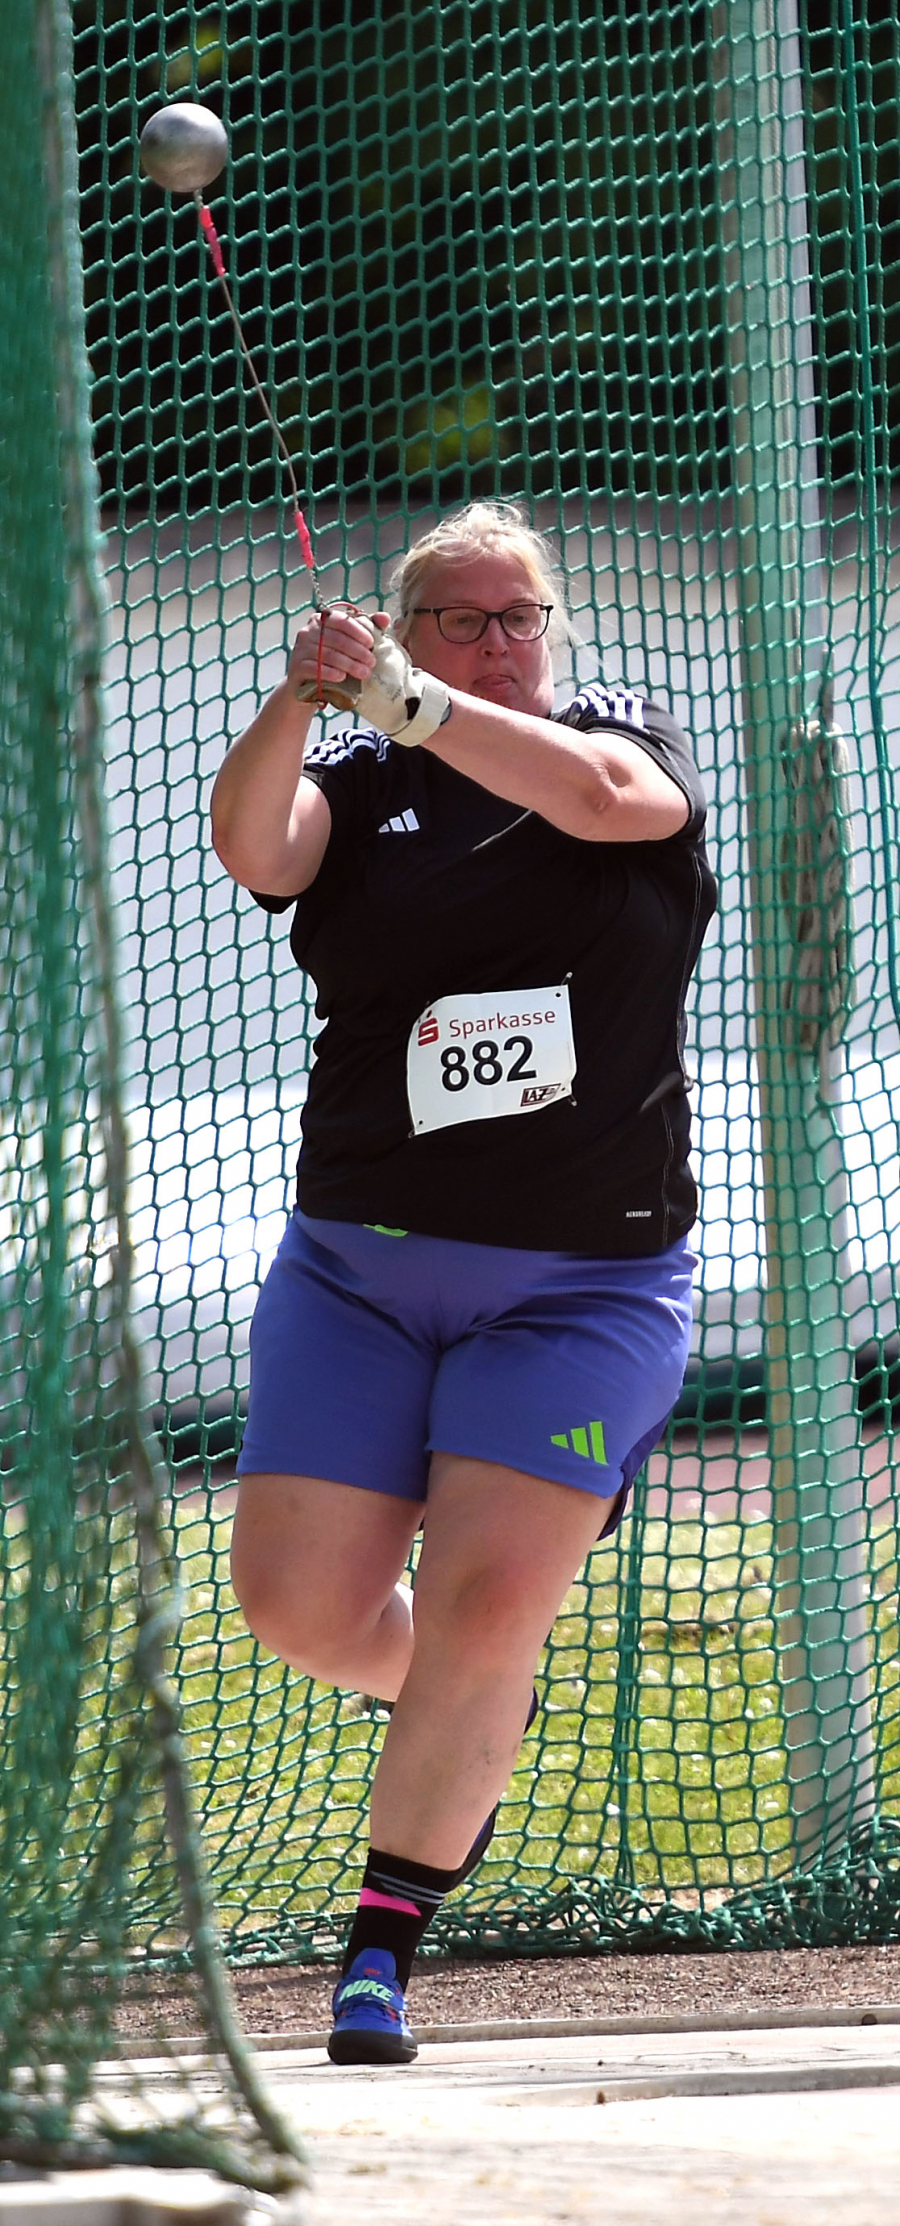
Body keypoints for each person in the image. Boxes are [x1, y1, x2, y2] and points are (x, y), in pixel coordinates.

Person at [210, 499, 717, 2066]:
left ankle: (381, 1952)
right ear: (403, 626)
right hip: (359, 1267)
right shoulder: (363, 787)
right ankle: (463, 1694)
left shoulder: (618, 746)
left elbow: (610, 803)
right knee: (295, 1606)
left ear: (550, 631)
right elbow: (255, 847)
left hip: (585, 1284)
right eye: (459, 620)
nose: (498, 642)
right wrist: (303, 696)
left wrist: (422, 702)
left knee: (489, 1599)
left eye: (519, 617)